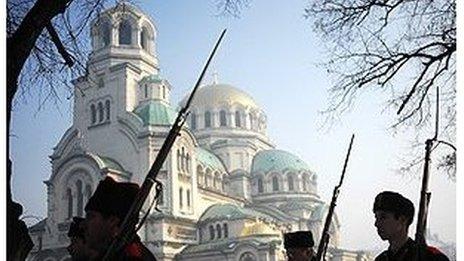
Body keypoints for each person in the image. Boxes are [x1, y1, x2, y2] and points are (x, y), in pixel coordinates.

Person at [84, 176, 156, 260]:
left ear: (112, 221)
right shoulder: (109, 255)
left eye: (90, 217)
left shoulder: (132, 257)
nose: (83, 225)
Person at [373, 191, 450, 261]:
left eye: (383, 217)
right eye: (376, 218)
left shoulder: (432, 258)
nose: (376, 224)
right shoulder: (381, 259)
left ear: (402, 220)